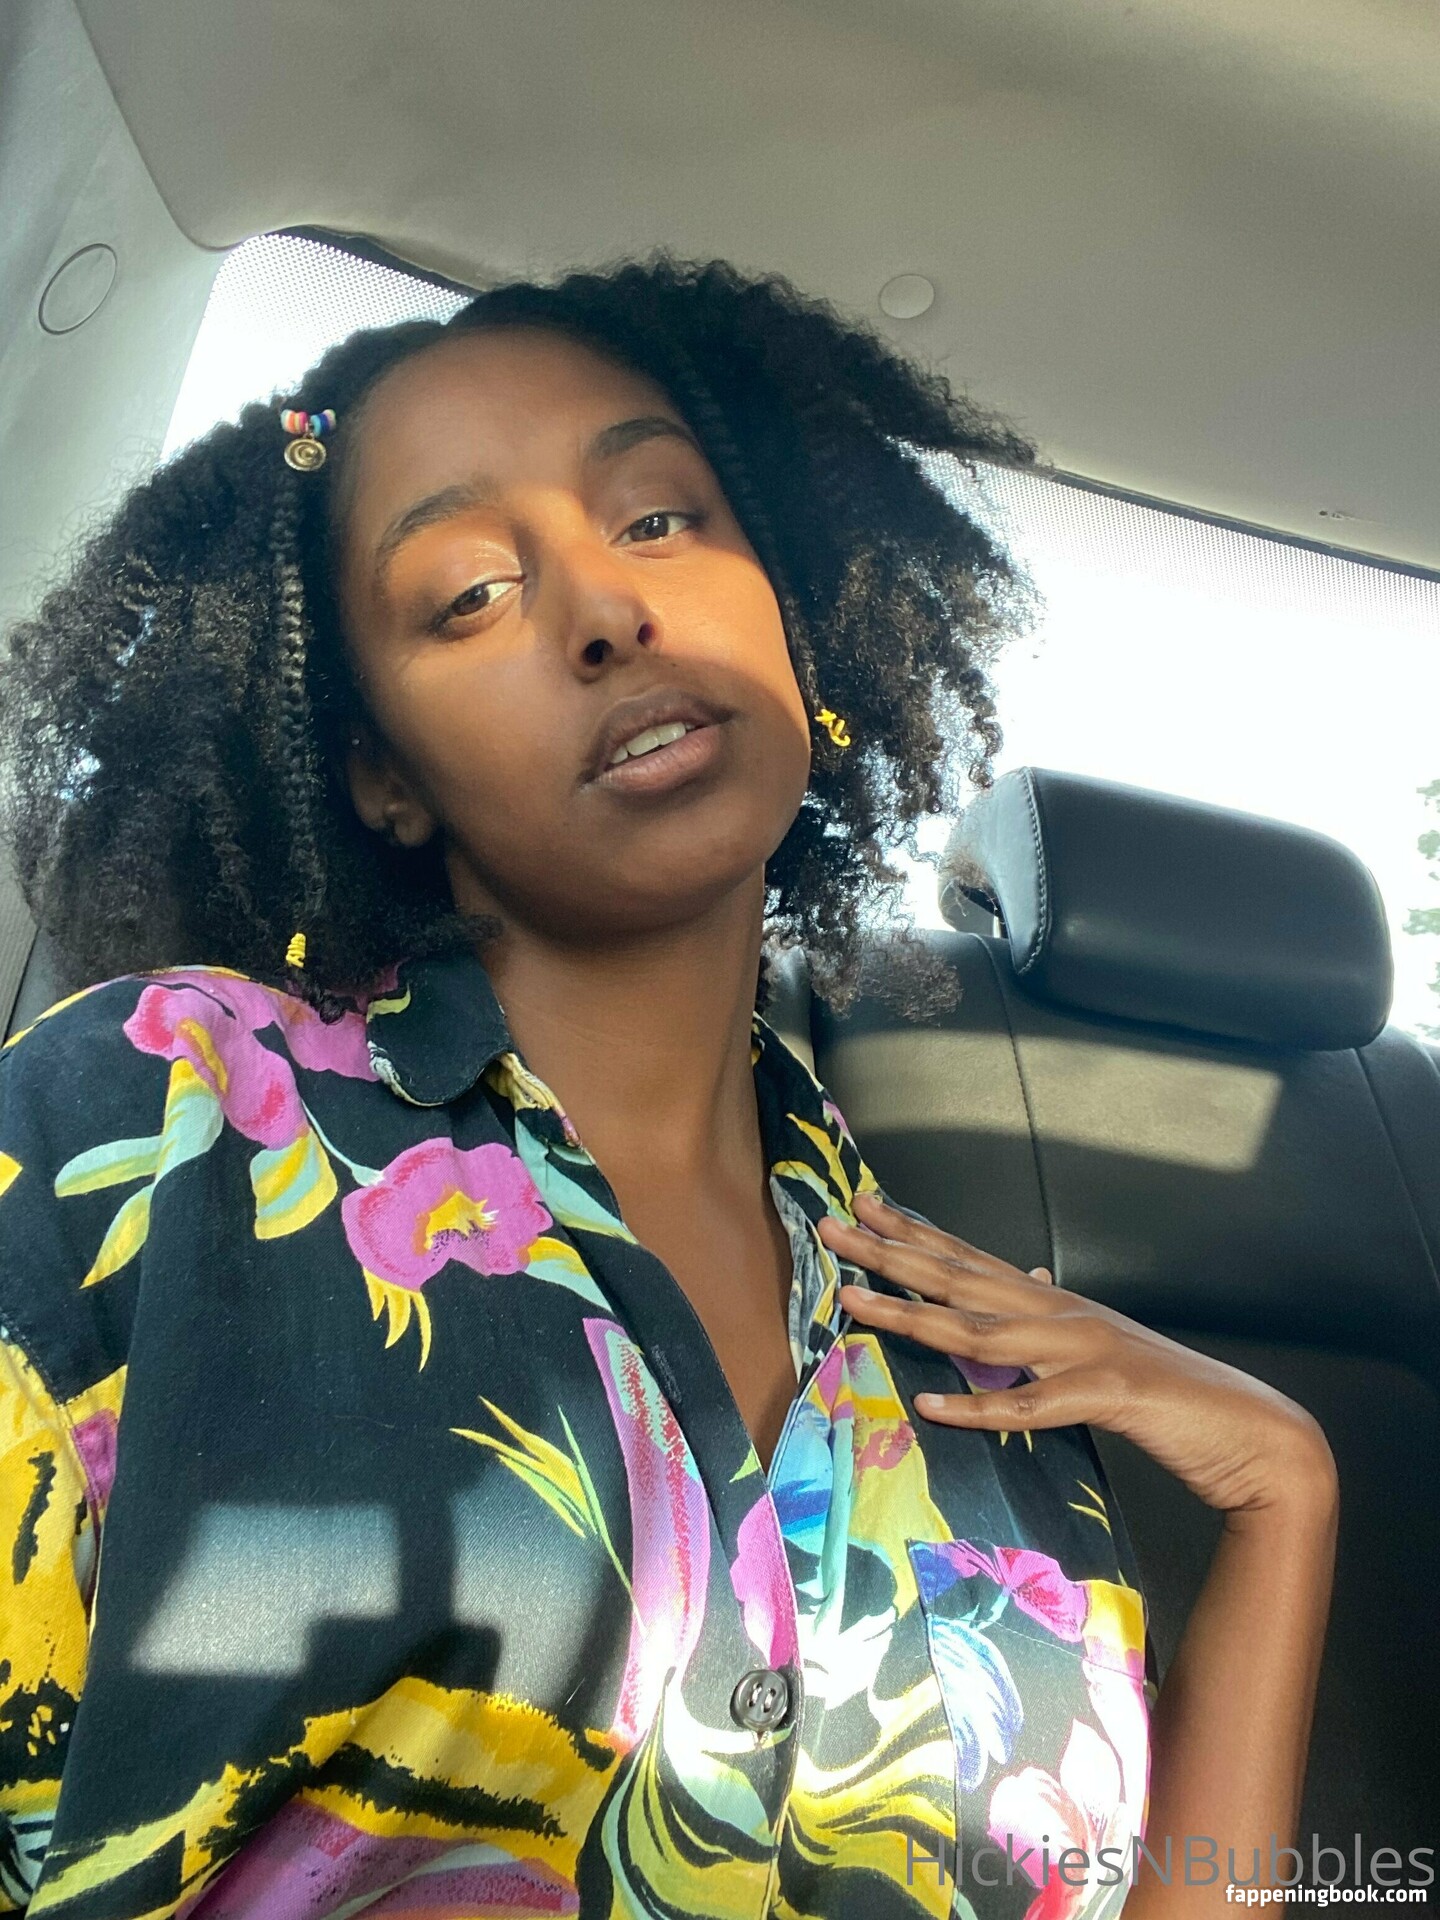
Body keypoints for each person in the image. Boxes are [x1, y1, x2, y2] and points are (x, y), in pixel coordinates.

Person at [0, 254, 1336, 1920]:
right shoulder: (148, 1119)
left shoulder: (987, 1367)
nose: (605, 612)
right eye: (468, 595)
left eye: (657, 519)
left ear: (795, 615)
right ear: (381, 772)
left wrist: (1286, 1493)